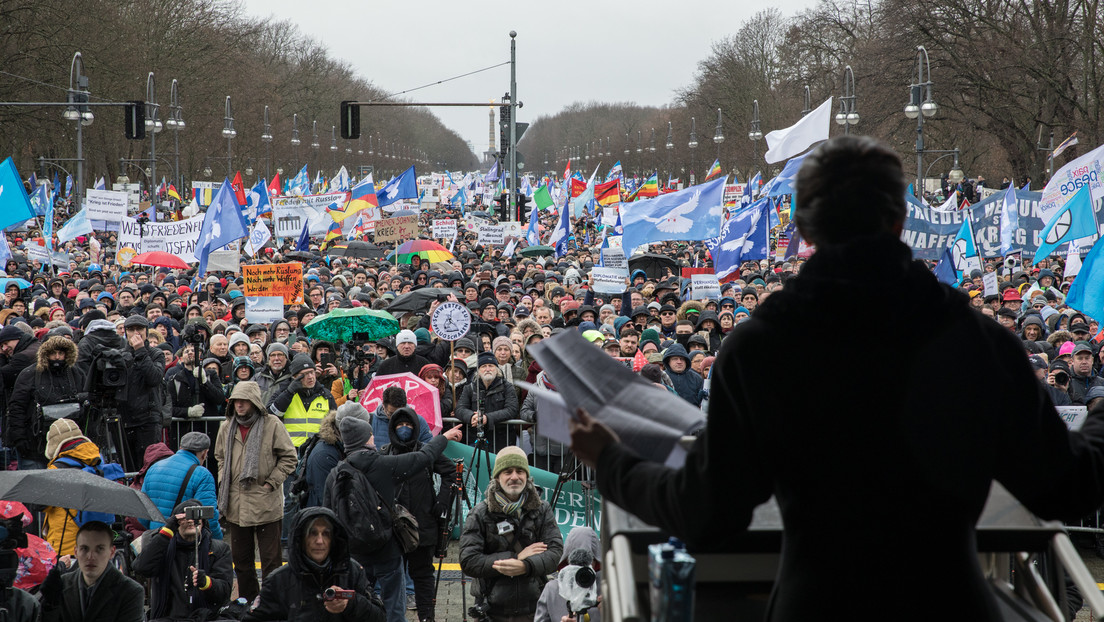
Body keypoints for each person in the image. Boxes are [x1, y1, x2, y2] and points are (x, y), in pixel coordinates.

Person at [569, 135, 1104, 620]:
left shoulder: (761, 348)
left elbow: (706, 510)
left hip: (816, 604)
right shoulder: (979, 344)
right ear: (900, 220)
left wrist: (613, 460)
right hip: (948, 603)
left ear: (801, 228)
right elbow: (1066, 486)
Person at [325, 410, 463, 622]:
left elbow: (328, 515)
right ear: (364, 439)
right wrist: (443, 438)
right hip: (385, 548)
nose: (373, 437)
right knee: (393, 605)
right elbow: (424, 457)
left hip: (355, 549)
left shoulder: (336, 472)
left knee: (361, 598)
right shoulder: (381, 464)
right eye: (370, 434)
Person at [214, 380, 297, 604]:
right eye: (235, 401)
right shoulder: (226, 426)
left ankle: (272, 603)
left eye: (243, 401)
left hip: (265, 502)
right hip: (236, 503)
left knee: (271, 561)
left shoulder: (272, 425)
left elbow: (290, 458)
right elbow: (220, 457)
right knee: (241, 560)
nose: (239, 405)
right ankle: (247, 602)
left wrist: (271, 483)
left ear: (254, 402)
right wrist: (224, 479)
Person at [459, 446, 563, 622]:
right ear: (497, 477)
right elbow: (469, 561)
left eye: (520, 471)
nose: (514, 477)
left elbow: (555, 552)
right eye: (507, 471)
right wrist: (515, 557)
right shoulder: (479, 513)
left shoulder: (542, 509)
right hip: (492, 610)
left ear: (527, 476)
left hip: (535, 607)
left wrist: (526, 566)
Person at [379, 406, 456, 622]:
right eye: (400, 425)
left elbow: (451, 473)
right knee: (393, 576)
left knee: (423, 576)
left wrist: (443, 501)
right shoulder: (384, 453)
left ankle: (427, 617)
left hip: (423, 524)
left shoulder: (426, 452)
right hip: (393, 527)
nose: (404, 429)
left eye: (409, 425)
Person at [243, 507, 385, 622]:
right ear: (301, 538)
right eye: (312, 533)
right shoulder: (278, 580)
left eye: (326, 534)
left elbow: (380, 616)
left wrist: (351, 604)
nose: (319, 541)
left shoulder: (352, 571)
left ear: (334, 539)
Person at [131, 499, 234, 622]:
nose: (191, 521)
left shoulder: (218, 549)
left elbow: (224, 593)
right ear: (176, 523)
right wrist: (166, 532)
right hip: (169, 617)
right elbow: (141, 568)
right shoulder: (163, 546)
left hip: (206, 617)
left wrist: (207, 583)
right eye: (184, 518)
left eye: (195, 517)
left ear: (203, 522)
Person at [40, 521, 145, 622]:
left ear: (112, 552)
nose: (90, 556)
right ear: (76, 552)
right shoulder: (61, 585)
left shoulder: (130, 591)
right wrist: (48, 605)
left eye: (99, 549)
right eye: (84, 549)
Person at [6, 335, 84, 470]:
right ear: (45, 354)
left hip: (69, 447)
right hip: (34, 444)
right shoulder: (30, 374)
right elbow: (17, 407)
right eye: (53, 353)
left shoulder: (76, 373)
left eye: (61, 353)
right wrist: (19, 438)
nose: (57, 357)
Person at [140, 431, 224, 539]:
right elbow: (208, 517)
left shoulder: (154, 468)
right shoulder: (202, 475)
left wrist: (156, 529)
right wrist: (217, 541)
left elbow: (142, 512)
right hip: (182, 540)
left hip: (156, 538)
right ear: (204, 453)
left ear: (180, 448)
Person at [119, 314, 167, 468]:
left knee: (148, 466)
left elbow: (154, 378)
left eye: (139, 329)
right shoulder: (120, 355)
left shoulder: (156, 354)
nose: (135, 333)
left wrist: (140, 350)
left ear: (146, 331)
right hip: (125, 418)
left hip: (148, 420)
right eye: (131, 330)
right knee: (127, 468)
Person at [456, 352, 520, 453]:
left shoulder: (507, 387)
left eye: (491, 366)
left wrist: (487, 418)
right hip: (475, 440)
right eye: (483, 366)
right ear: (478, 371)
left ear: (497, 369)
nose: (487, 369)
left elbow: (512, 409)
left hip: (502, 441)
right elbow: (460, 409)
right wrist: (471, 416)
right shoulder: (470, 388)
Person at [270, 353, 337, 448]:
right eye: (304, 374)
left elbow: (335, 426)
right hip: (289, 451)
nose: (310, 377)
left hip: (317, 451)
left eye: (312, 372)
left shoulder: (325, 395)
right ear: (294, 377)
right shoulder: (283, 392)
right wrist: (289, 392)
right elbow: (271, 415)